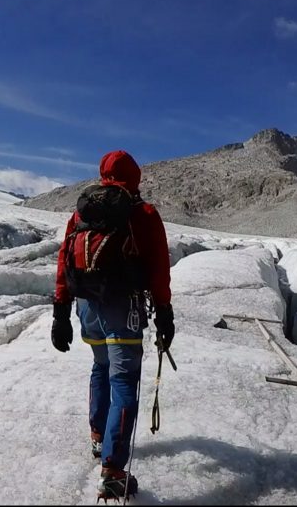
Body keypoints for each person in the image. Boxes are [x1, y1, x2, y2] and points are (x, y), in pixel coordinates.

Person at [50, 149, 175, 500]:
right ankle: (114, 471)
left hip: (87, 306)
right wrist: (164, 312)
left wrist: (60, 311)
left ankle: (97, 438)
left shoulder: (82, 212)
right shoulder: (143, 213)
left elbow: (64, 261)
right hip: (124, 308)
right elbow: (159, 268)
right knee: (123, 381)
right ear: (134, 176)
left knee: (100, 368)